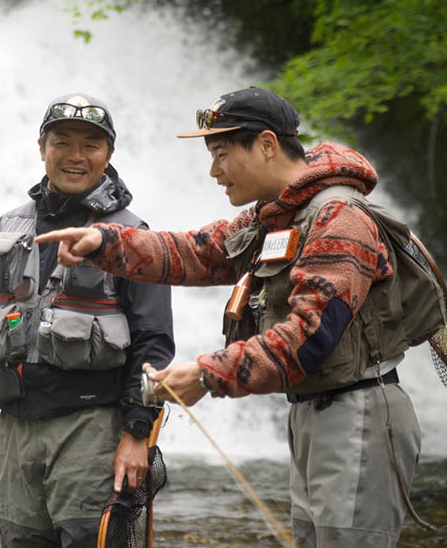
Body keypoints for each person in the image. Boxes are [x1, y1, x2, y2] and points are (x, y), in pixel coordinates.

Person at [35, 87, 423, 547]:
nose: (214, 170)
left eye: (221, 153)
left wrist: (206, 374)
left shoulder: (340, 218)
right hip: (316, 413)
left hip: (358, 413)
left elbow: (308, 337)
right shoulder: (274, 218)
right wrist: (105, 243)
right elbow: (197, 252)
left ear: (265, 145)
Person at [0, 93, 174, 547]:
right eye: (62, 142)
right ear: (41, 147)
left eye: (91, 145)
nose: (76, 156)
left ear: (109, 154)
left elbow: (153, 344)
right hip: (17, 428)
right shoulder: (5, 229)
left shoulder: (132, 237)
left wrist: (137, 433)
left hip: (93, 429)